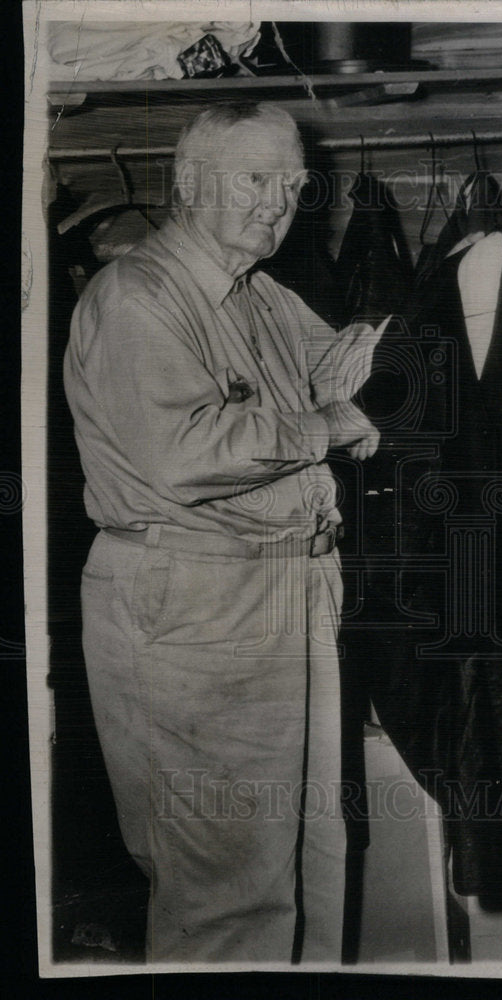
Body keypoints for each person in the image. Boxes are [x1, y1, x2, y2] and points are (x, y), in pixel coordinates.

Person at [63, 102, 386, 964]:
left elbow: (341, 376)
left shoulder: (262, 295)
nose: (278, 202)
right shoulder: (138, 294)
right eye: (255, 179)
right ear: (190, 184)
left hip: (283, 594)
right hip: (197, 606)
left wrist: (395, 345)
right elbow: (183, 453)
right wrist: (332, 422)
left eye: (293, 183)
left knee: (313, 863)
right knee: (229, 895)